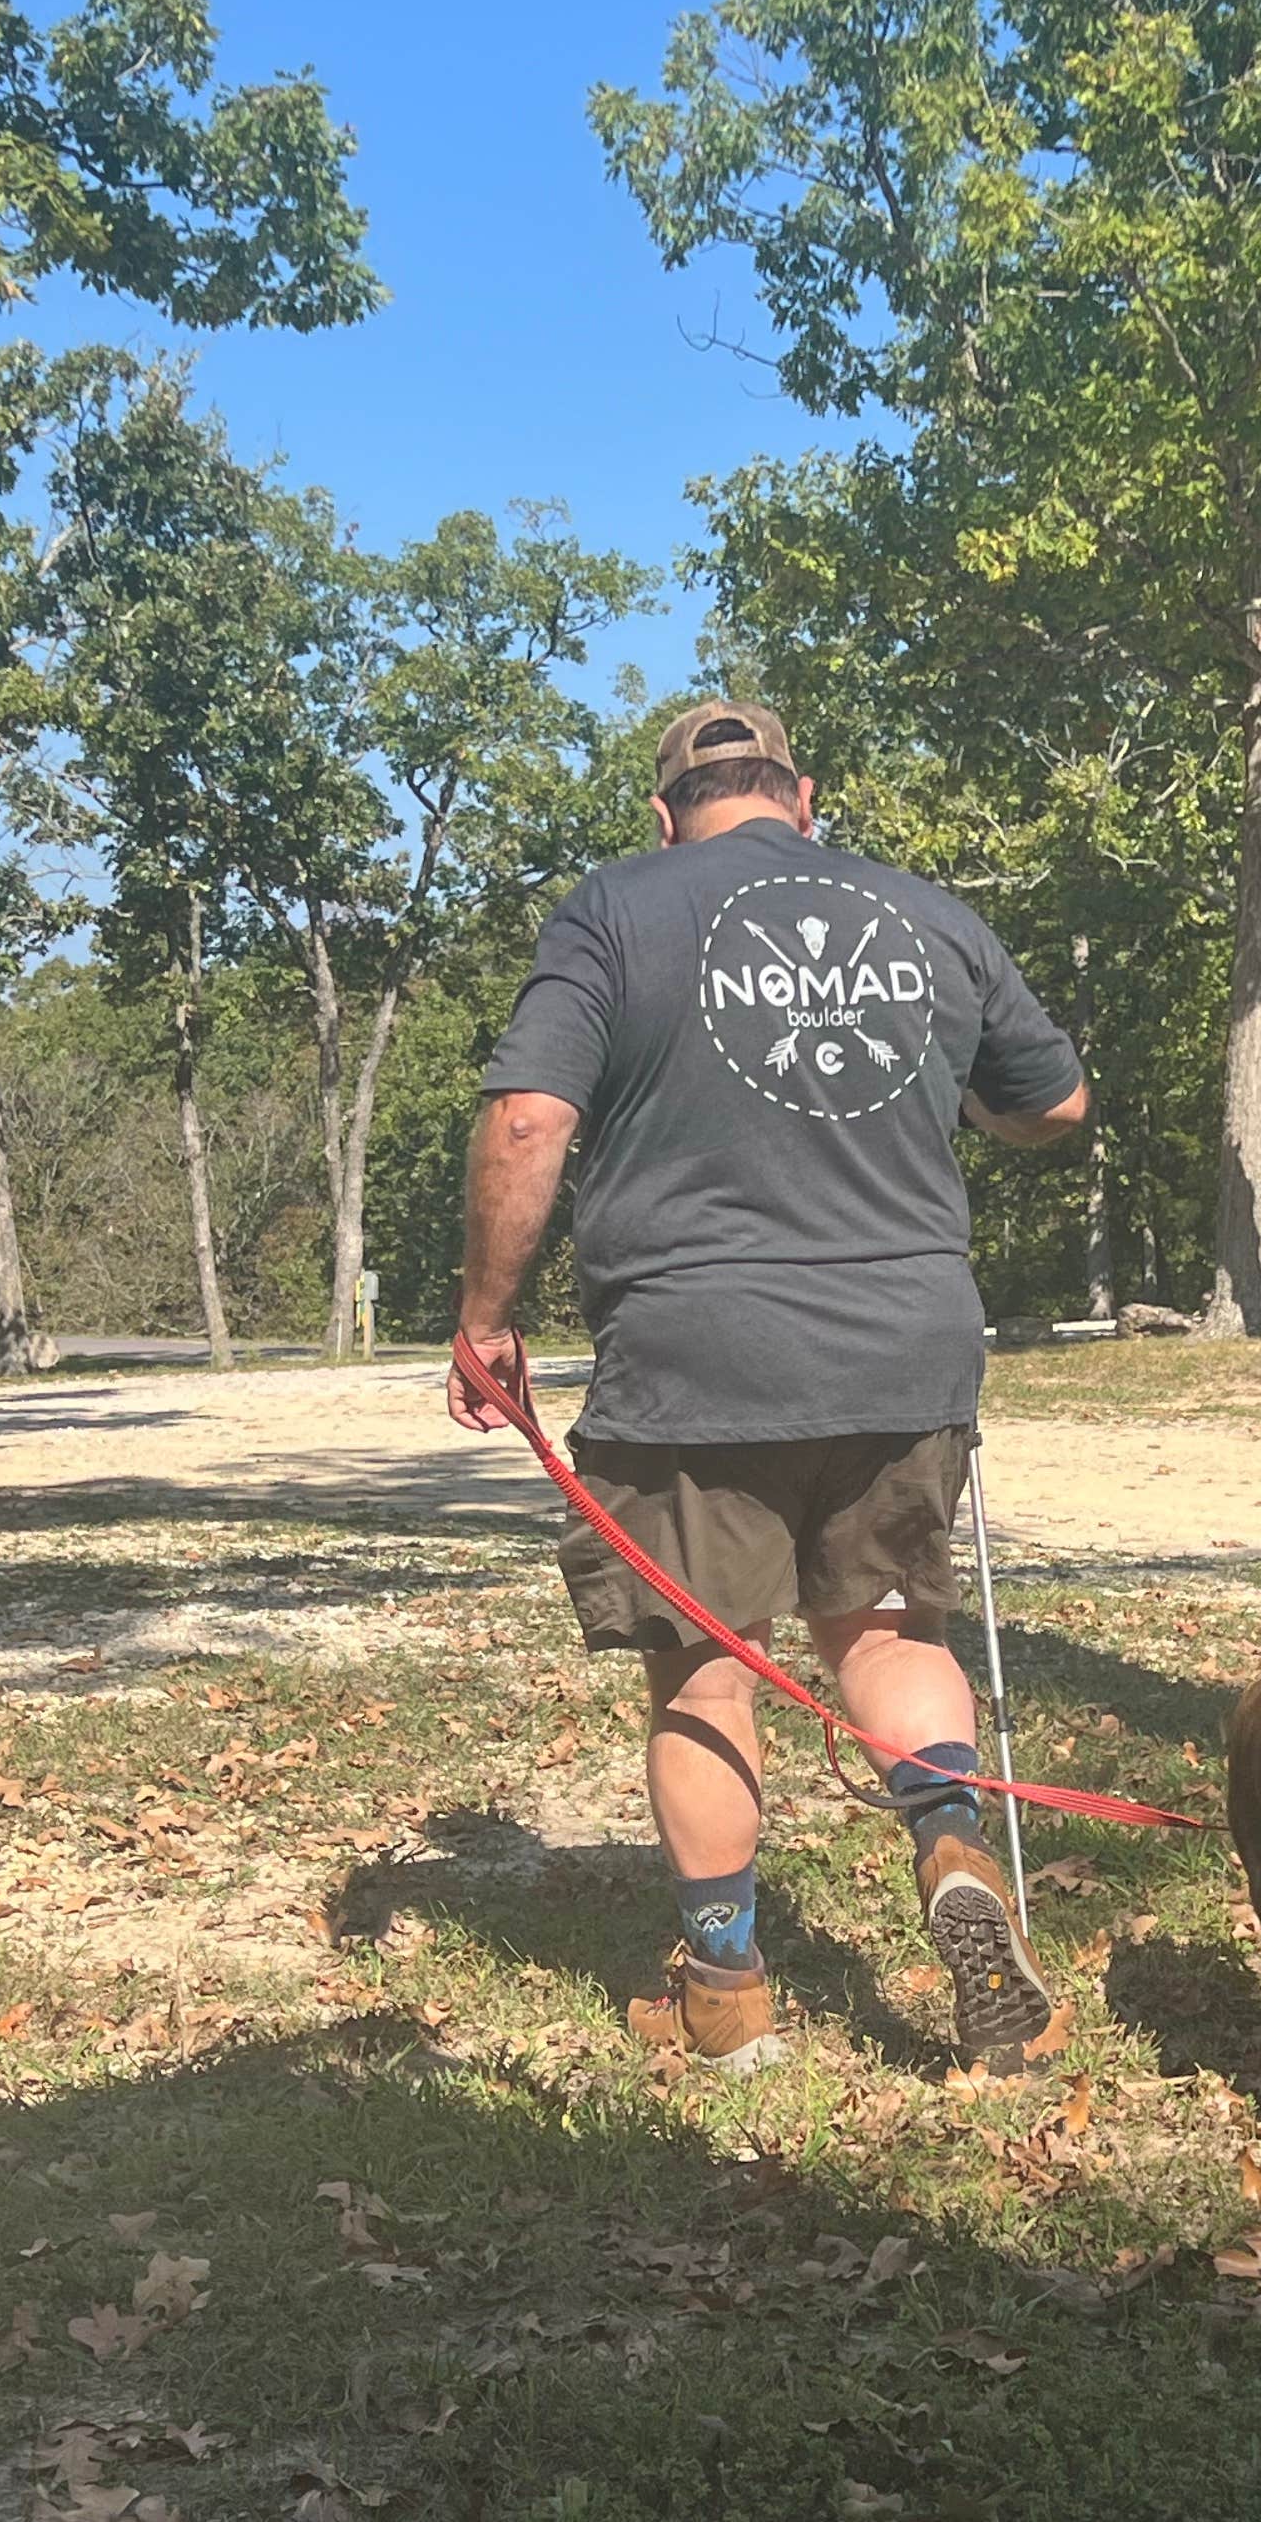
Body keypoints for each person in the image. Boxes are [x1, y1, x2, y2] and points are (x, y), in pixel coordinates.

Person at [450, 696, 1090, 2073]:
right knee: (891, 1636)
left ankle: (727, 1993)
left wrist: (486, 1319)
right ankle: (952, 1846)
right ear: (805, 801)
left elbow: (529, 1117)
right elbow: (1055, 1102)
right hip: (905, 1347)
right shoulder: (927, 916)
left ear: (664, 815)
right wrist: (966, 1099)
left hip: (696, 1359)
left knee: (708, 1671)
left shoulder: (615, 909)